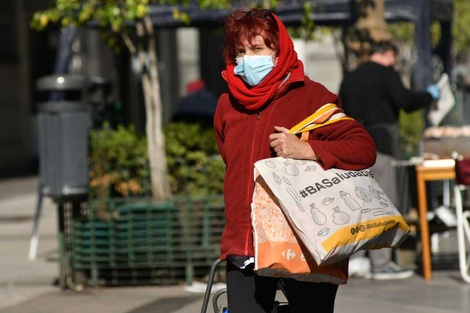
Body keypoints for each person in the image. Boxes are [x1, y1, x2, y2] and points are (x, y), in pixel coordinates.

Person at [213, 8, 376, 313]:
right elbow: (231, 162)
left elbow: (363, 148)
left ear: (279, 50)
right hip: (243, 244)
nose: (248, 58)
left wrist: (309, 150)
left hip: (303, 243)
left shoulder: (311, 97)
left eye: (258, 49)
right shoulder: (227, 104)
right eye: (241, 52)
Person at [338, 41, 440, 280]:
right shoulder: (387, 74)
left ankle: (356, 260)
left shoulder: (350, 78)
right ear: (389, 53)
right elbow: (405, 101)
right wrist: (429, 95)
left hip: (352, 147)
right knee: (383, 204)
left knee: (358, 205)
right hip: (381, 146)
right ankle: (381, 263)